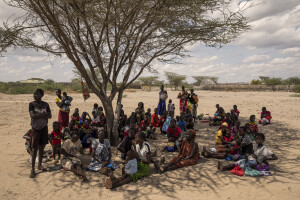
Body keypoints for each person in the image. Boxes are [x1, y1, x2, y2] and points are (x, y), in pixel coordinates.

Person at [29, 89, 52, 178]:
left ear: (41, 95)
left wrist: (39, 114)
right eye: (34, 94)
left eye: (37, 94)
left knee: (42, 147)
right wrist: (43, 114)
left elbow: (50, 115)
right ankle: (32, 170)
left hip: (44, 128)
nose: (34, 95)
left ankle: (39, 165)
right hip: (35, 129)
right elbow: (32, 116)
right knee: (35, 149)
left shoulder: (45, 104)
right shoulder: (31, 104)